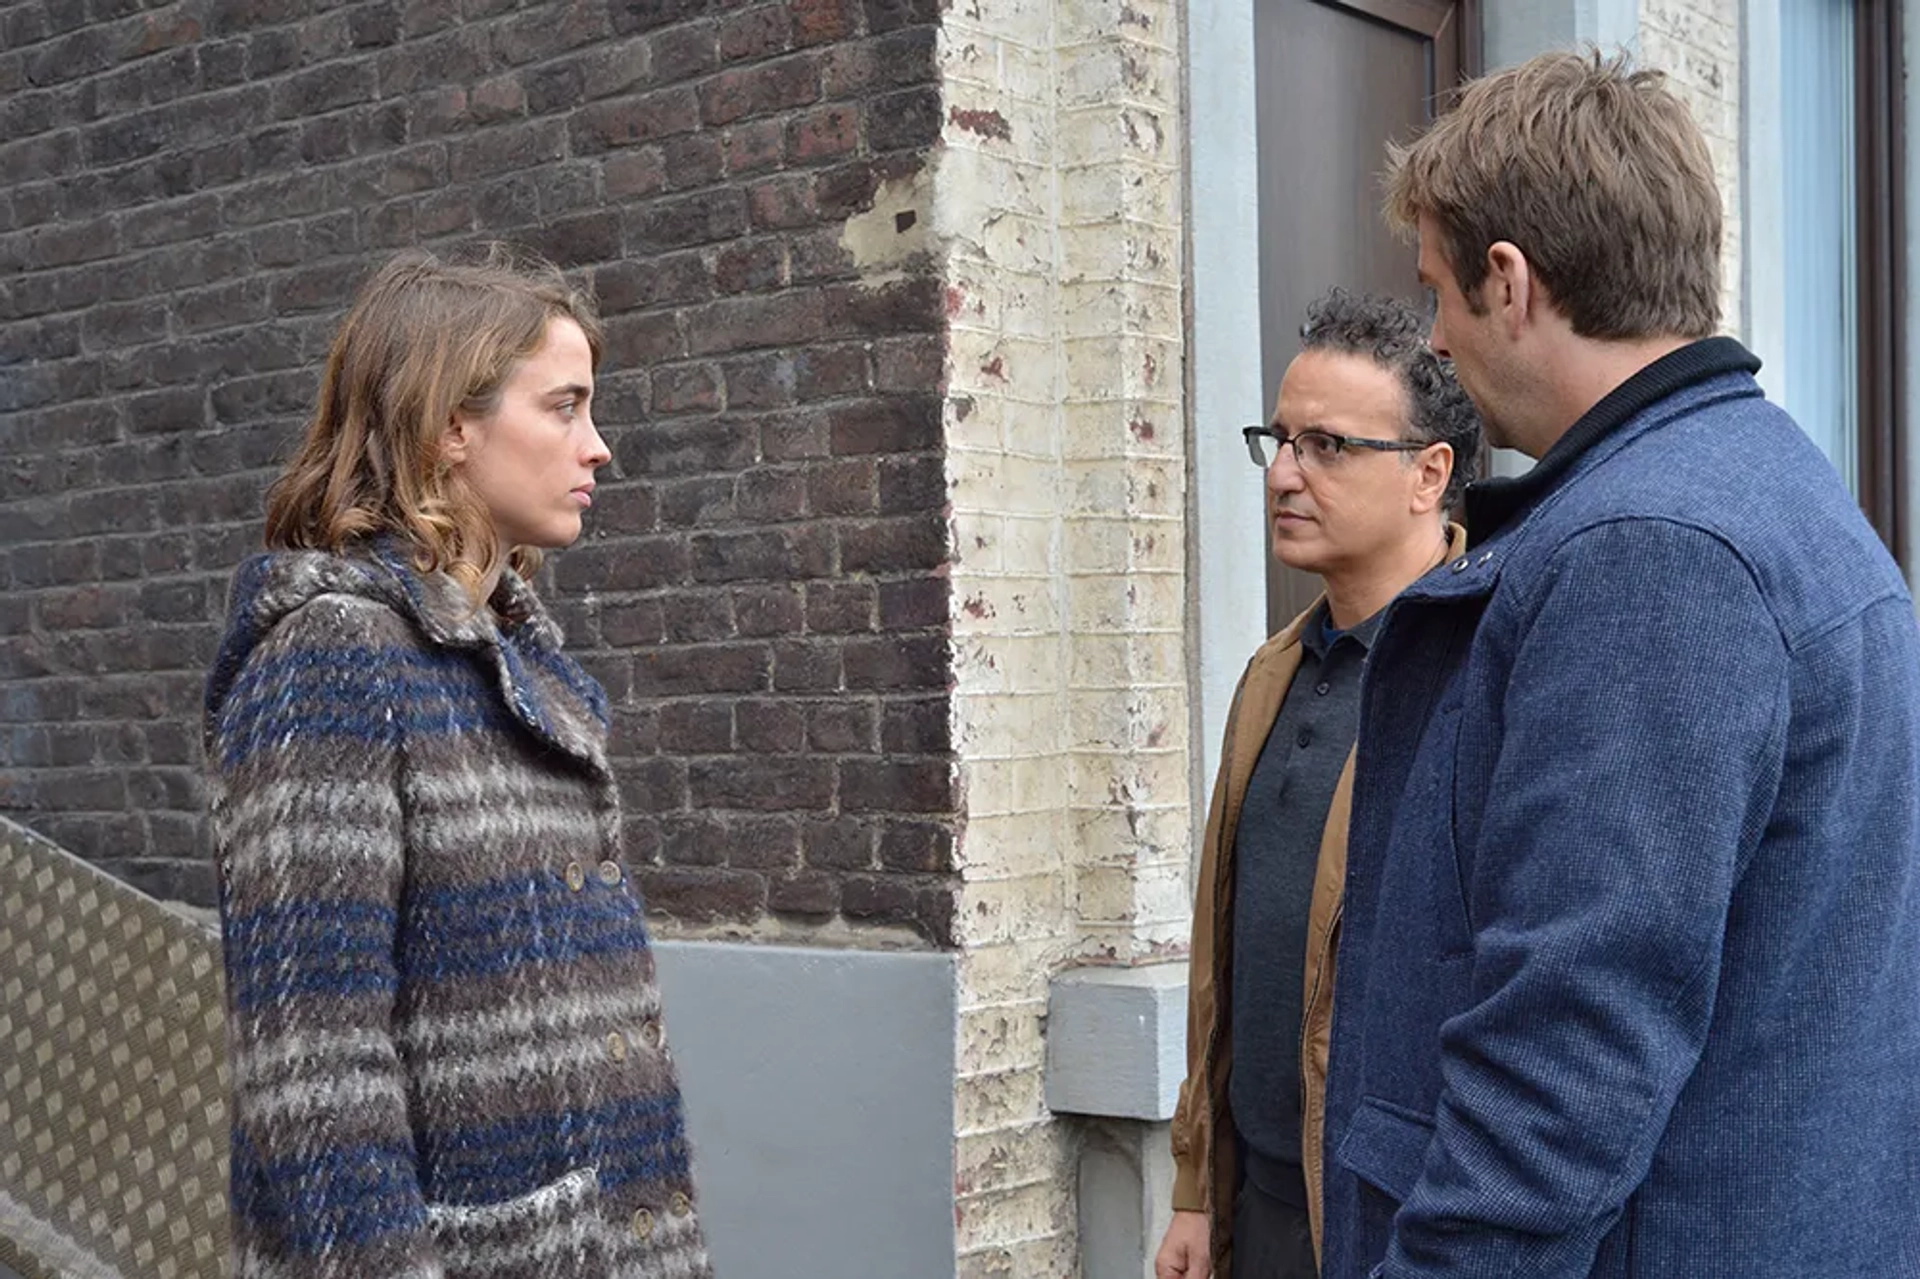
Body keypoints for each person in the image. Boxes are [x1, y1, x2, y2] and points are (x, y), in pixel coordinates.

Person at [1322, 51, 1920, 1279]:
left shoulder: (1653, 554)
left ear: (1512, 281)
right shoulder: (1774, 486)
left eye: (1436, 290)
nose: (1433, 338)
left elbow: (1564, 1064)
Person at [205, 247, 711, 1279]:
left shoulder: (509, 659)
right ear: (449, 426)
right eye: (563, 407)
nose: (598, 446)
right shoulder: (330, 656)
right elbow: (315, 1070)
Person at [1158, 290, 1482, 1279]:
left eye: (1329, 446)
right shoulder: (1272, 674)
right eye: (1280, 439)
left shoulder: (1485, 680)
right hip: (1259, 1211)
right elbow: (1226, 955)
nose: (1285, 474)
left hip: (1395, 1222)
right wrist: (1197, 1192)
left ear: (1430, 474)